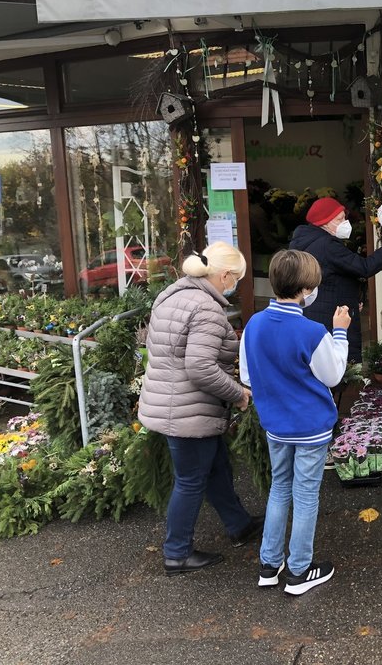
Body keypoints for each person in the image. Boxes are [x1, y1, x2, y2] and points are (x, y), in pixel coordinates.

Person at [138, 241, 262, 576]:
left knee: (215, 466)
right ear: (224, 275)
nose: (234, 285)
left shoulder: (172, 296)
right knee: (191, 480)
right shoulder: (206, 308)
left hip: (170, 401)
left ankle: (239, 525)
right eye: (235, 278)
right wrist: (238, 393)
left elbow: (161, 348)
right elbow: (200, 367)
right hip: (186, 410)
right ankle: (176, 553)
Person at [240, 249, 350, 595]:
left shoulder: (254, 323)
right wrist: (341, 333)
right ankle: (300, 570)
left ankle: (269, 564)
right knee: (305, 496)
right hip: (311, 426)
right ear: (306, 288)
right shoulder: (312, 330)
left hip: (276, 424)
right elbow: (333, 375)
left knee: (279, 488)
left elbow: (246, 374)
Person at [290, 196, 382, 362]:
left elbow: (334, 275)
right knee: (339, 364)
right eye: (340, 219)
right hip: (330, 316)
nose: (345, 222)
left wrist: (352, 297)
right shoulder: (327, 245)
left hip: (317, 310)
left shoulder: (306, 241)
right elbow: (363, 268)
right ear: (325, 222)